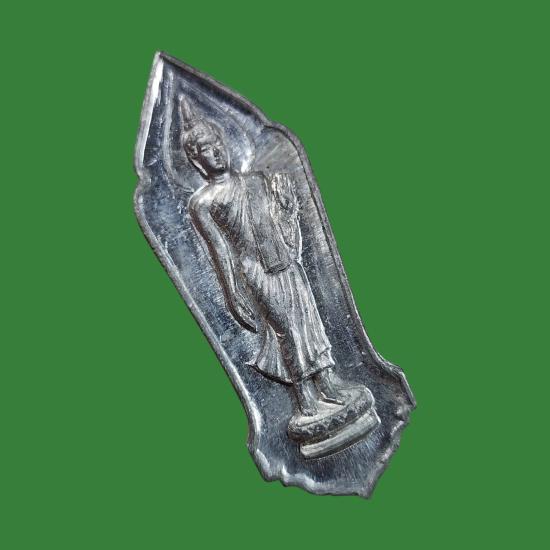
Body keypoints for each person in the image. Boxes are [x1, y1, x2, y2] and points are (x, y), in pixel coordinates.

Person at [181, 99, 367, 419]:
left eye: (217, 144)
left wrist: (287, 207)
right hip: (255, 270)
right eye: (207, 150)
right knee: (287, 329)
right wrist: (232, 293)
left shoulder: (255, 181)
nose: (216, 152)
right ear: (196, 160)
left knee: (308, 320)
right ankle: (304, 396)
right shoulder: (204, 203)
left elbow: (281, 226)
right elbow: (219, 250)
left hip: (284, 260)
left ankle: (327, 381)